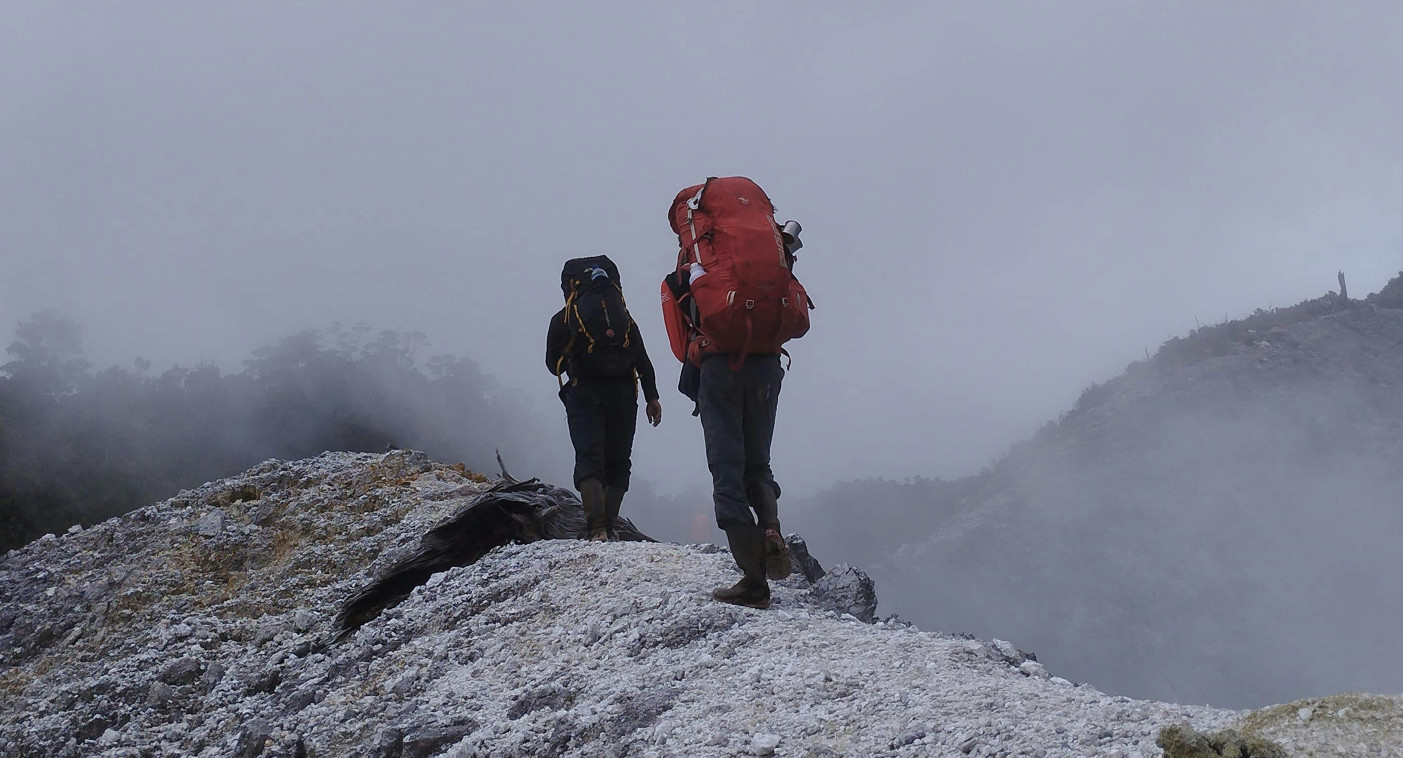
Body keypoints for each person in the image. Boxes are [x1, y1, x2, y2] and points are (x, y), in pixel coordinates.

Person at [660, 177, 810, 610]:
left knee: (727, 468)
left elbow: (683, 321)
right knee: (758, 463)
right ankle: (771, 528)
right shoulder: (772, 250)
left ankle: (753, 581)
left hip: (721, 366)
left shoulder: (699, 258)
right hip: (767, 365)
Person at [547, 256, 662, 541]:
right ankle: (609, 526)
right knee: (619, 460)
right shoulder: (624, 318)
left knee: (590, 457)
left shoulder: (563, 319)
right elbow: (642, 360)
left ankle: (596, 528)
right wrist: (652, 397)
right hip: (623, 393)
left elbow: (552, 364)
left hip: (583, 392)